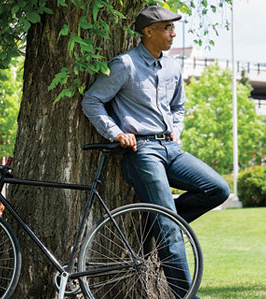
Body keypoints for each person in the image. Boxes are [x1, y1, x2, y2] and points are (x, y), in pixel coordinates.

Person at [81, 6, 230, 298]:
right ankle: (186, 295)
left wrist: (177, 128)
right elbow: (92, 101)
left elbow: (178, 106)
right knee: (171, 229)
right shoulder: (124, 65)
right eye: (167, 28)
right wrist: (116, 132)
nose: (173, 34)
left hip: (171, 147)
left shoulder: (173, 66)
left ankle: (157, 219)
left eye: (174, 29)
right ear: (147, 32)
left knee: (218, 189)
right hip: (143, 151)